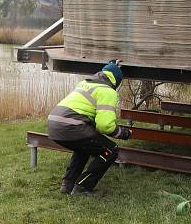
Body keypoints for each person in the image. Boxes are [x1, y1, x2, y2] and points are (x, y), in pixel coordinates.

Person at [47, 60, 131, 197]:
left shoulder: (85, 84)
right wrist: (123, 133)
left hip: (54, 124)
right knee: (110, 150)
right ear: (116, 81)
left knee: (84, 147)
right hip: (71, 125)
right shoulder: (107, 91)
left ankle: (67, 184)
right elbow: (105, 126)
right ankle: (82, 187)